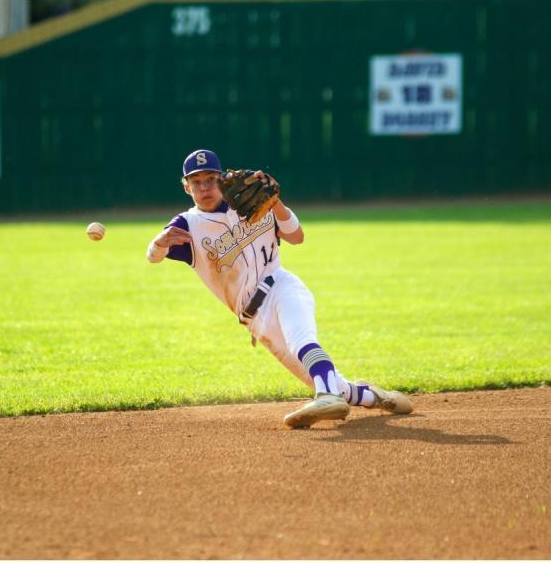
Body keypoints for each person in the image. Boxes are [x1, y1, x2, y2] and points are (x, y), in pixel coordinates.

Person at [146, 149, 413, 428]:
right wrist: (161, 241)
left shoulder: (253, 201)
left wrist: (276, 204)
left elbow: (297, 237)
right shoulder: (187, 225)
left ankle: (326, 396)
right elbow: (152, 256)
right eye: (196, 181)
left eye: (211, 178)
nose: (204, 187)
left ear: (222, 179)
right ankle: (375, 396)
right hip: (256, 321)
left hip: (282, 287)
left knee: (302, 342)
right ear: (186, 187)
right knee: (332, 383)